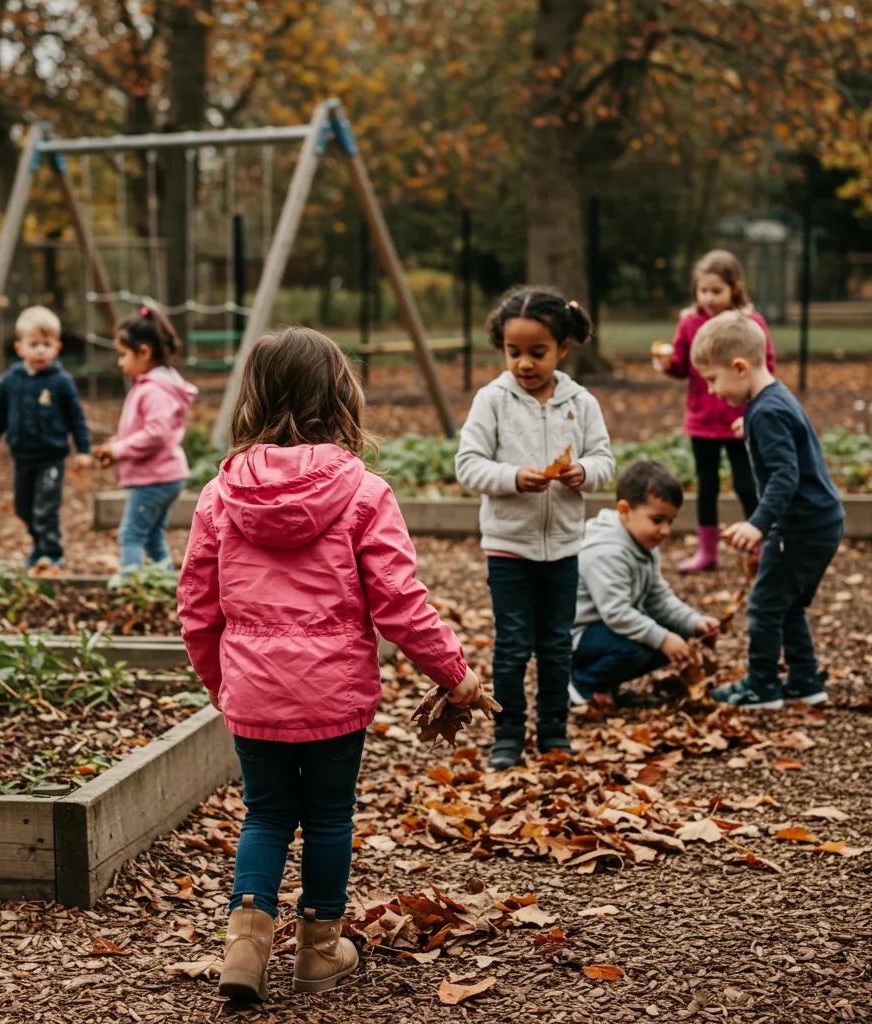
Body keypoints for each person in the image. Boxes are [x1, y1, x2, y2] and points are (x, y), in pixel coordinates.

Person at [177, 327, 484, 1002]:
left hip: (254, 694)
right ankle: (319, 952)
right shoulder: (363, 493)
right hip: (333, 696)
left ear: (253, 399)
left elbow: (197, 609)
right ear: (340, 394)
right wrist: (454, 673)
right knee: (327, 820)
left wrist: (221, 683)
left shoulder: (219, 495)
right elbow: (401, 605)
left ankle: (245, 949)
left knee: (263, 816)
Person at [455, 286, 615, 769]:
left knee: (555, 646)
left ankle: (553, 732)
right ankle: (507, 734)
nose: (524, 363)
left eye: (537, 353)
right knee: (511, 645)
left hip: (564, 547)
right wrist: (512, 479)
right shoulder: (493, 401)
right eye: (514, 352)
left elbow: (606, 462)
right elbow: (468, 465)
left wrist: (583, 472)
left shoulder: (580, 402)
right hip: (509, 548)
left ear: (563, 349)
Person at [692, 310, 844, 708]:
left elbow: (784, 477)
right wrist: (752, 428)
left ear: (739, 367)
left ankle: (761, 686)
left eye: (713, 379)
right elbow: (788, 442)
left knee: (764, 605)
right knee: (788, 604)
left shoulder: (766, 412)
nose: (710, 391)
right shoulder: (770, 402)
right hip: (822, 522)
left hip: (800, 527)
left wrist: (758, 524)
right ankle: (805, 680)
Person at [655, 250, 776, 573]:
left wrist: (752, 411)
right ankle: (707, 553)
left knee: (746, 484)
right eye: (703, 290)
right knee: (705, 487)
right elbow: (682, 367)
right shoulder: (690, 323)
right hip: (702, 420)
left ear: (734, 289)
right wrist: (667, 364)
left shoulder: (750, 324)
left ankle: (759, 546)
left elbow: (766, 367)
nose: (708, 298)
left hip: (740, 421)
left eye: (716, 291)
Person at [571, 461, 720, 705]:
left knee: (678, 633)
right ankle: (581, 686)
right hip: (578, 637)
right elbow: (617, 613)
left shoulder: (643, 542)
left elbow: (658, 597)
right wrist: (663, 639)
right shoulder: (606, 551)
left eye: (670, 521)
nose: (665, 530)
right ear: (624, 510)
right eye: (657, 520)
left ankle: (606, 684)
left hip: (608, 629)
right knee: (640, 647)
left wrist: (695, 622)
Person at [0, 305, 91, 571]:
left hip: (51, 457)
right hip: (22, 456)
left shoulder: (61, 382)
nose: (40, 350)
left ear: (57, 348)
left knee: (46, 508)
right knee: (24, 508)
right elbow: (0, 412)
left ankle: (52, 554)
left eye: (47, 344)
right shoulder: (12, 380)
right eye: (34, 344)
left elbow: (76, 418)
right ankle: (38, 546)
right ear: (20, 348)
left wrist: (83, 449)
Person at [92, 306, 197, 575]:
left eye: (123, 355)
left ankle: (133, 590)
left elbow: (156, 434)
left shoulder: (154, 390)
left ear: (144, 352)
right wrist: (115, 446)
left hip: (156, 478)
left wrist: (119, 449)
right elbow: (140, 431)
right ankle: (168, 585)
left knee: (131, 535)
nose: (119, 362)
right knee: (151, 535)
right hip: (163, 475)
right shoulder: (156, 386)